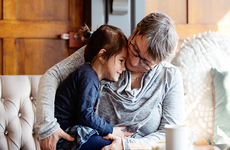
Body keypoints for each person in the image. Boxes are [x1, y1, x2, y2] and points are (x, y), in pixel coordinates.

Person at [35, 11, 184, 150]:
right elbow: (52, 75)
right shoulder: (110, 50)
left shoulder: (170, 77)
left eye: (145, 62)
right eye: (135, 49)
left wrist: (127, 145)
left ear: (158, 63)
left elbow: (169, 135)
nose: (132, 61)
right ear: (135, 31)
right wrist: (47, 126)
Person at [54, 24, 133, 149]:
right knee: (110, 145)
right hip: (65, 134)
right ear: (102, 55)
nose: (124, 68)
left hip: (74, 131)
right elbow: (85, 115)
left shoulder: (91, 76)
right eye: (121, 61)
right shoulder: (88, 76)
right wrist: (111, 130)